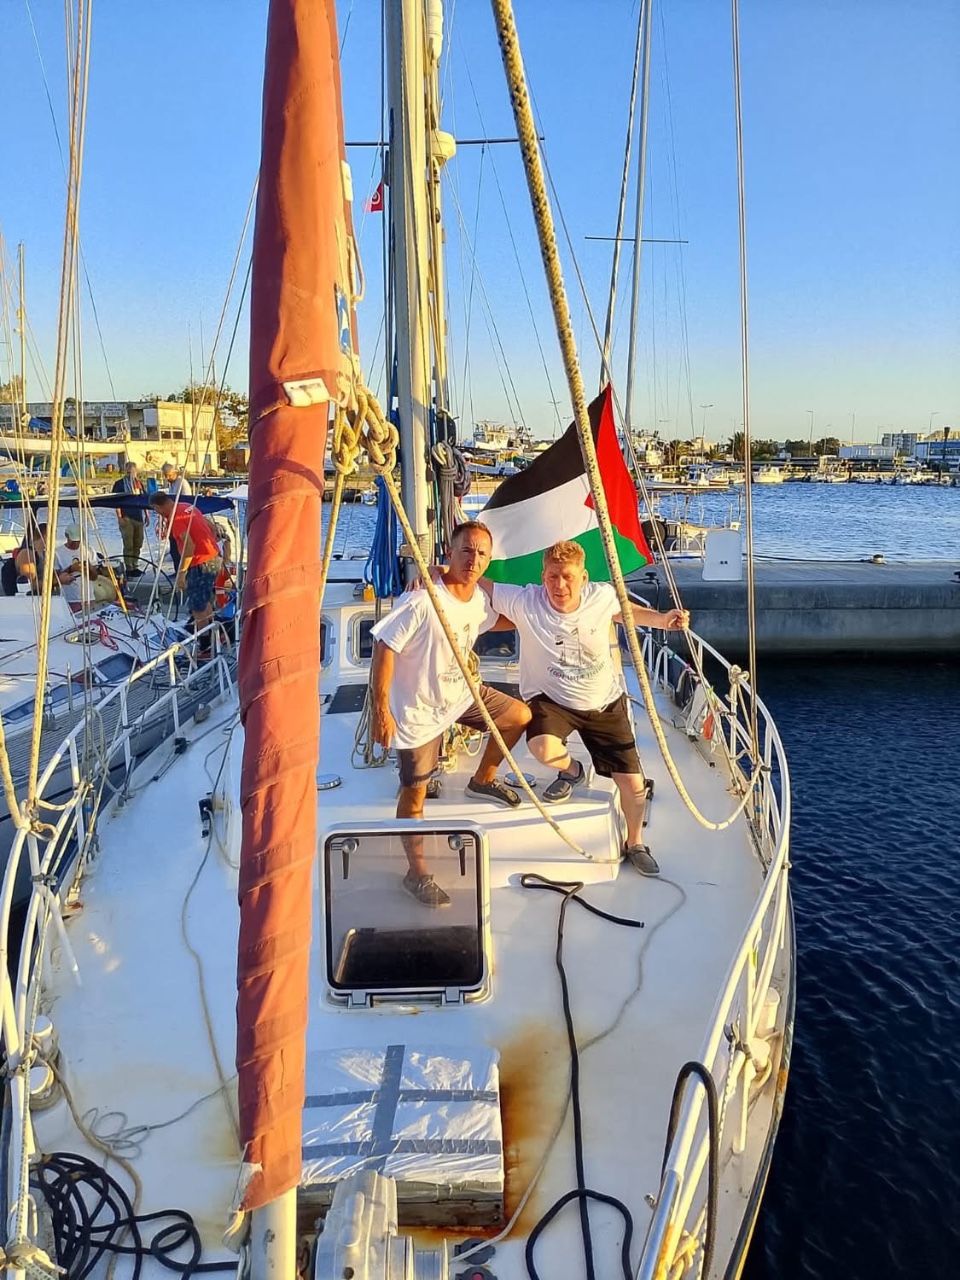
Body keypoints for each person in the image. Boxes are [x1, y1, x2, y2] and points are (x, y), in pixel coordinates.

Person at [482, 540, 688, 877]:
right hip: (552, 699)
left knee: (633, 785)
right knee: (542, 749)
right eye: (552, 577)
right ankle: (573, 770)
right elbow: (481, 583)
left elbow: (627, 612)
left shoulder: (601, 596)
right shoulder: (525, 600)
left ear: (583, 577)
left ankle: (635, 842)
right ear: (542, 576)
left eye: (567, 577)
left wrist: (663, 620)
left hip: (604, 701)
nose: (559, 585)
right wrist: (439, 572)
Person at [369, 520, 532, 907]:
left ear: (488, 561)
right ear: (449, 552)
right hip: (420, 711)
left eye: (481, 554)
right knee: (414, 795)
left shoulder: (476, 601)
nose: (473, 560)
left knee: (518, 716)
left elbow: (496, 621)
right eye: (466, 551)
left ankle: (483, 778)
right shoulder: (421, 599)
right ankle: (416, 873)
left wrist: (543, 615)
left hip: (460, 696)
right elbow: (384, 647)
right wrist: (380, 711)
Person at [148, 493, 221, 655]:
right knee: (206, 600)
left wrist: (181, 573)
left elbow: (189, 546)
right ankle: (214, 634)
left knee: (197, 606)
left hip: (200, 563)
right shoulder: (188, 506)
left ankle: (205, 646)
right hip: (213, 557)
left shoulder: (175, 518)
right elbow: (211, 527)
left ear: (157, 507)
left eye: (155, 510)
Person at [112, 461, 149, 575]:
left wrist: (147, 515)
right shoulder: (119, 484)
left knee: (138, 542)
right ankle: (129, 567)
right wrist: (119, 517)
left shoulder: (139, 483)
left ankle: (135, 564)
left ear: (136, 472)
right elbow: (115, 501)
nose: (130, 474)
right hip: (126, 516)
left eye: (132, 472)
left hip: (138, 516)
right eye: (128, 472)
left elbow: (144, 499)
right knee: (128, 544)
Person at [161, 463, 192, 573]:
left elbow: (187, 503)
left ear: (175, 473)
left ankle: (184, 571)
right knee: (174, 549)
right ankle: (177, 571)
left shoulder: (182, 483)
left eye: (169, 475)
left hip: (181, 520)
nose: (167, 478)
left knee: (180, 548)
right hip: (173, 520)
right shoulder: (172, 484)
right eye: (165, 475)